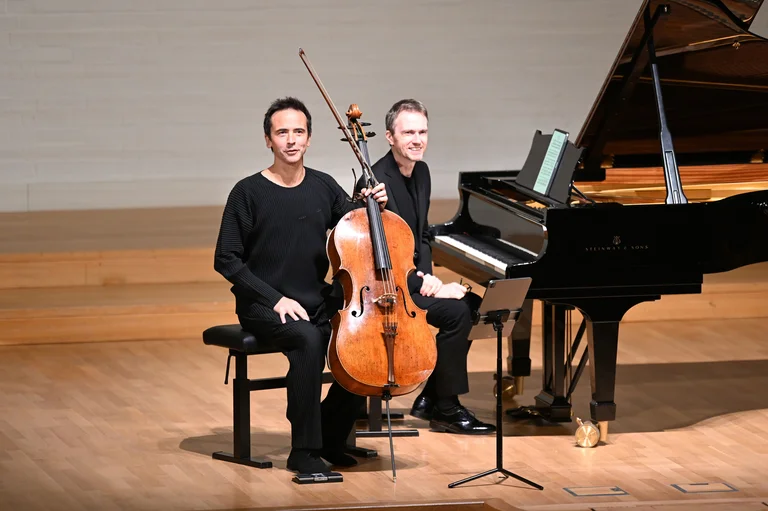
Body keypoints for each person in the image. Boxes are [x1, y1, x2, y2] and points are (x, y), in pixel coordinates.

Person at [214, 96, 388, 474]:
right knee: (308, 339)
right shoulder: (247, 192)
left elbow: (358, 225)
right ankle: (304, 451)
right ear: (268, 140)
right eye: (282, 133)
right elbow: (226, 259)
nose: (291, 140)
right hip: (263, 304)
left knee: (366, 334)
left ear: (309, 138)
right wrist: (274, 299)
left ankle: (331, 434)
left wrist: (376, 204)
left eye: (299, 132)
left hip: (314, 298)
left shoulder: (323, 185)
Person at [356, 99, 495, 435]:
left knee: (473, 306)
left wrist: (429, 278)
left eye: (422, 132)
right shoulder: (373, 181)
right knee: (458, 313)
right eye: (408, 133)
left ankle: (431, 397)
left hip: (413, 283)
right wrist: (425, 285)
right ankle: (446, 408)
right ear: (390, 137)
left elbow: (421, 237)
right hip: (386, 290)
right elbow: (374, 256)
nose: (417, 140)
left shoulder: (422, 172)